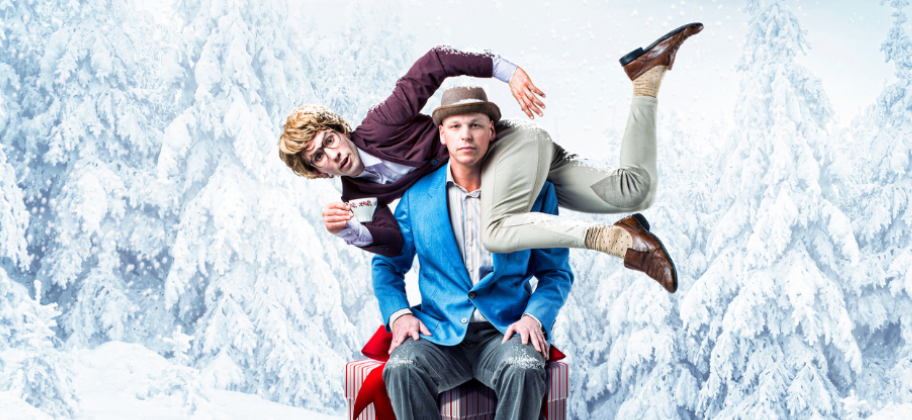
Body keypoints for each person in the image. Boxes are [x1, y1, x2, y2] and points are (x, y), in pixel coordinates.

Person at [278, 23, 705, 294]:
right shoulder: (358, 194)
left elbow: (435, 61)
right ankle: (646, 78)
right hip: (520, 166)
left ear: (339, 128)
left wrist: (507, 71)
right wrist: (352, 230)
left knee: (495, 231)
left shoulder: (380, 124)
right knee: (635, 190)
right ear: (316, 171)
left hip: (510, 146)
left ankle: (617, 240)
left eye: (329, 139)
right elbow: (391, 242)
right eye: (319, 158)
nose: (333, 155)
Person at [371, 86, 572, 420]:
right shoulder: (417, 198)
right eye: (456, 126)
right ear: (442, 134)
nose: (467, 135)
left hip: (504, 332)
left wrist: (535, 317)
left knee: (525, 368)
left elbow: (556, 272)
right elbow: (387, 264)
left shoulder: (533, 193)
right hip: (440, 334)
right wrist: (399, 314)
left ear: (492, 133)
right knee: (401, 367)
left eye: (476, 125)